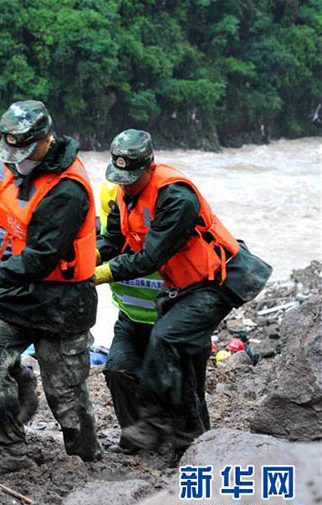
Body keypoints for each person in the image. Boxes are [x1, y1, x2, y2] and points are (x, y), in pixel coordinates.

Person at [95, 129, 270, 451]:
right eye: (120, 177)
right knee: (157, 358)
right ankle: (171, 436)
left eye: (132, 177)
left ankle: (164, 427)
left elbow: (150, 257)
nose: (126, 184)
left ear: (150, 167)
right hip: (180, 289)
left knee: (168, 339)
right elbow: (114, 240)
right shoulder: (121, 193)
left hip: (216, 281)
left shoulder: (177, 197)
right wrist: (89, 258)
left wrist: (100, 273)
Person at [0, 100, 101, 475]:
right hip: (24, 292)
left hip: (64, 299)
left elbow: (41, 257)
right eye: (11, 150)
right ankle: (11, 448)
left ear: (46, 140)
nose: (16, 158)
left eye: (23, 150)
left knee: (65, 390)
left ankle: (85, 457)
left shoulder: (68, 189)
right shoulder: (20, 172)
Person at [97, 180, 164, 453]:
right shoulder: (105, 243)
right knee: (117, 369)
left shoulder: (168, 236)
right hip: (131, 322)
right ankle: (136, 438)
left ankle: (191, 446)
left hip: (173, 322)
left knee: (181, 382)